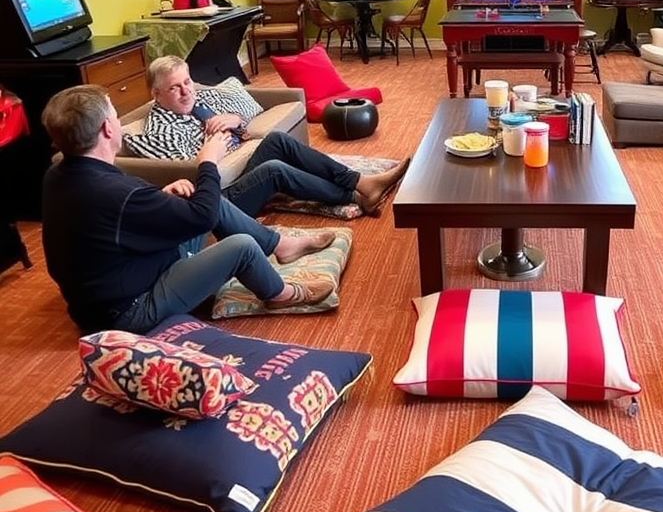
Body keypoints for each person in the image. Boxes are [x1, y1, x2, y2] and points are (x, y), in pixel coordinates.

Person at [41, 85, 341, 333]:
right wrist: (207, 161)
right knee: (242, 247)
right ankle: (281, 295)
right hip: (126, 313)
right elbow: (203, 217)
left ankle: (282, 245)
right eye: (117, 117)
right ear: (108, 129)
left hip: (110, 288)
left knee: (197, 198)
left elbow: (106, 223)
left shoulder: (60, 173)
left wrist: (160, 196)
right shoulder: (119, 193)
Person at [128, 56, 409, 219]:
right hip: (219, 198)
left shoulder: (197, 104)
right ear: (156, 94)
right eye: (175, 88)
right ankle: (356, 197)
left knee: (277, 140)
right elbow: (191, 177)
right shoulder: (161, 131)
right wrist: (214, 148)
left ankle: (361, 182)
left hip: (236, 170)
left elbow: (246, 129)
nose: (187, 91)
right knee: (273, 170)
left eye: (187, 82)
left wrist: (235, 120)